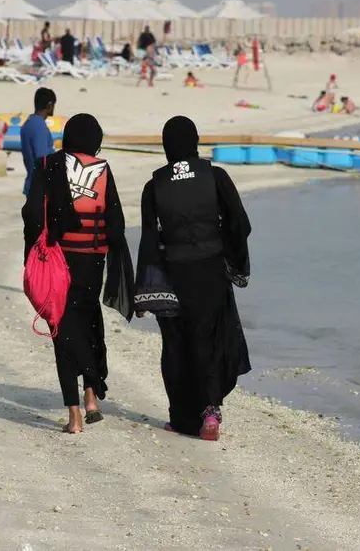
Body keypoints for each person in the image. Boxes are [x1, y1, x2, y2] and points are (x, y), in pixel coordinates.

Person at [135, 116, 251, 441]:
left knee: (176, 345)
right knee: (211, 339)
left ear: (167, 147)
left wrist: (144, 289)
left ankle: (180, 419)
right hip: (210, 271)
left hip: (172, 274)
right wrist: (231, 257)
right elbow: (239, 223)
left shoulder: (153, 186)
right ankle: (210, 410)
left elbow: (147, 241)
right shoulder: (215, 177)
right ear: (195, 142)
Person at [22, 114, 134, 434]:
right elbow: (115, 221)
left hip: (58, 260)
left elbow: (31, 213)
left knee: (62, 330)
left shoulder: (49, 166)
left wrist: (32, 253)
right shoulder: (102, 169)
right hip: (92, 262)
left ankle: (74, 416)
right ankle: (91, 395)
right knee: (87, 322)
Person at [21, 88, 57, 196]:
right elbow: (42, 159)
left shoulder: (28, 123)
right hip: (40, 188)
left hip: (32, 183)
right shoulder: (39, 126)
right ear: (49, 105)